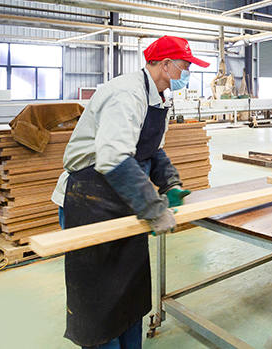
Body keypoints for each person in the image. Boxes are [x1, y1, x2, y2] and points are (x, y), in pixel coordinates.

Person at [58, 36, 209, 348]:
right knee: (100, 303)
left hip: (124, 197)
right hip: (90, 198)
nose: (187, 73)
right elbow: (113, 158)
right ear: (165, 65)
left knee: (129, 291)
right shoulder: (126, 94)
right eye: (185, 67)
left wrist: (170, 184)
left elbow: (152, 150)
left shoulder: (159, 99)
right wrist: (153, 209)